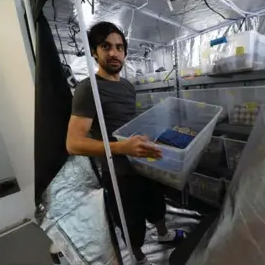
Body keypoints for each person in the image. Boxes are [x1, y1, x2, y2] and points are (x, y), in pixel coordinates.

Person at [66, 21, 186, 265]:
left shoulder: (128, 86)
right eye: (105, 46)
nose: (113, 53)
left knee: (156, 202)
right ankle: (139, 258)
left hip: (143, 161)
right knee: (131, 220)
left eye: (119, 47)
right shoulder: (88, 89)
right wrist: (121, 148)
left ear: (125, 52)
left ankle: (163, 235)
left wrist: (150, 136)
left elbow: (127, 123)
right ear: (94, 51)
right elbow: (73, 143)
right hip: (119, 171)